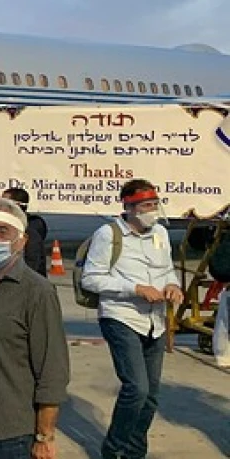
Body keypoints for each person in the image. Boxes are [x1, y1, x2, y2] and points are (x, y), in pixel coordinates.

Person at [0, 198, 70, 459]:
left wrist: (44, 436)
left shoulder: (37, 292)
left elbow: (52, 370)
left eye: (3, 231)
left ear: (22, 241)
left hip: (12, 434)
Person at [81, 179, 184, 459]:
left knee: (150, 396)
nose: (152, 211)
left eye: (155, 204)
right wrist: (135, 289)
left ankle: (135, 451)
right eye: (146, 205)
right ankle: (113, 449)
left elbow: (167, 270)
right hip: (122, 317)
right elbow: (91, 279)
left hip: (155, 321)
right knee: (136, 389)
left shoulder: (160, 233)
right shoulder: (108, 234)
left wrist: (172, 285)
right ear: (128, 207)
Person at [1, 187, 49, 276]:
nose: (0, 207)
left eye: (4, 203)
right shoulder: (3, 226)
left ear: (17, 206)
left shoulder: (31, 230)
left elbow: (31, 264)